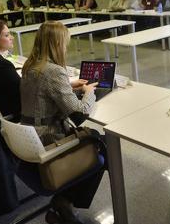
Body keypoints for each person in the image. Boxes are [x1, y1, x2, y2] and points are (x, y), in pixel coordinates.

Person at [20, 21, 102, 222]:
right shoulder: (55, 71)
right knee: (101, 148)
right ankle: (65, 201)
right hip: (49, 137)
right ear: (56, 44)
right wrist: (89, 93)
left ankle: (66, 201)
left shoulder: (31, 65)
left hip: (30, 134)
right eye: (64, 43)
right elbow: (79, 112)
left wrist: (69, 85)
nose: (66, 47)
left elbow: (45, 91)